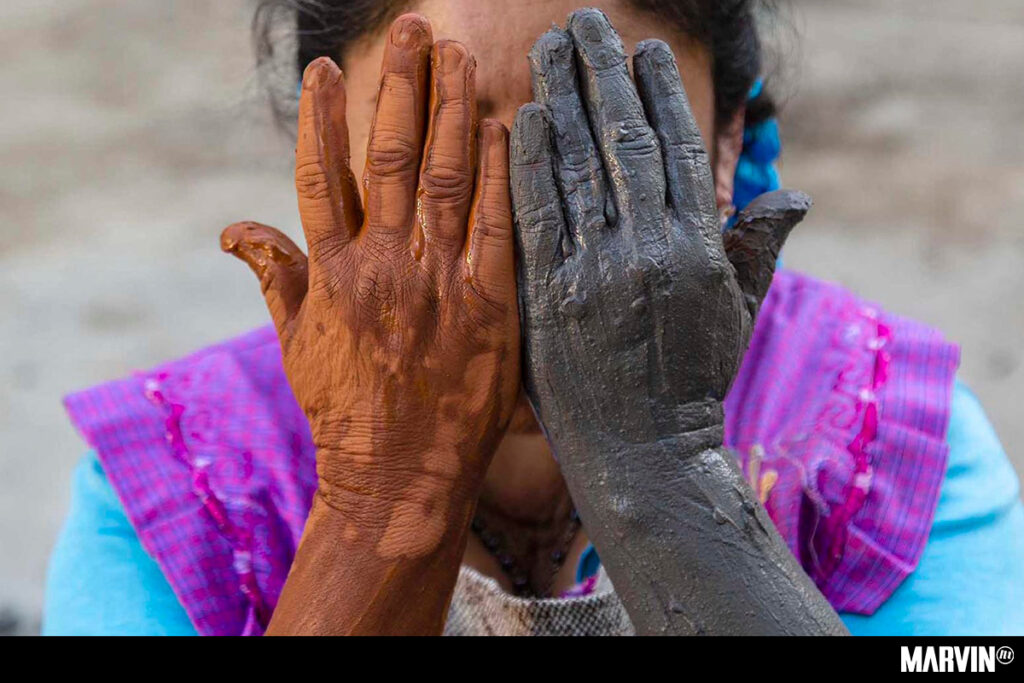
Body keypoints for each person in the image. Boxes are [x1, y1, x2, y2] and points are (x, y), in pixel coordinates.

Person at [43, 1, 1024, 636]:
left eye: (601, 160)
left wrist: (661, 467)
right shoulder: (176, 484)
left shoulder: (881, 439)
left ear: (726, 147)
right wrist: (382, 498)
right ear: (332, 164)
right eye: (441, 168)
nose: (521, 244)